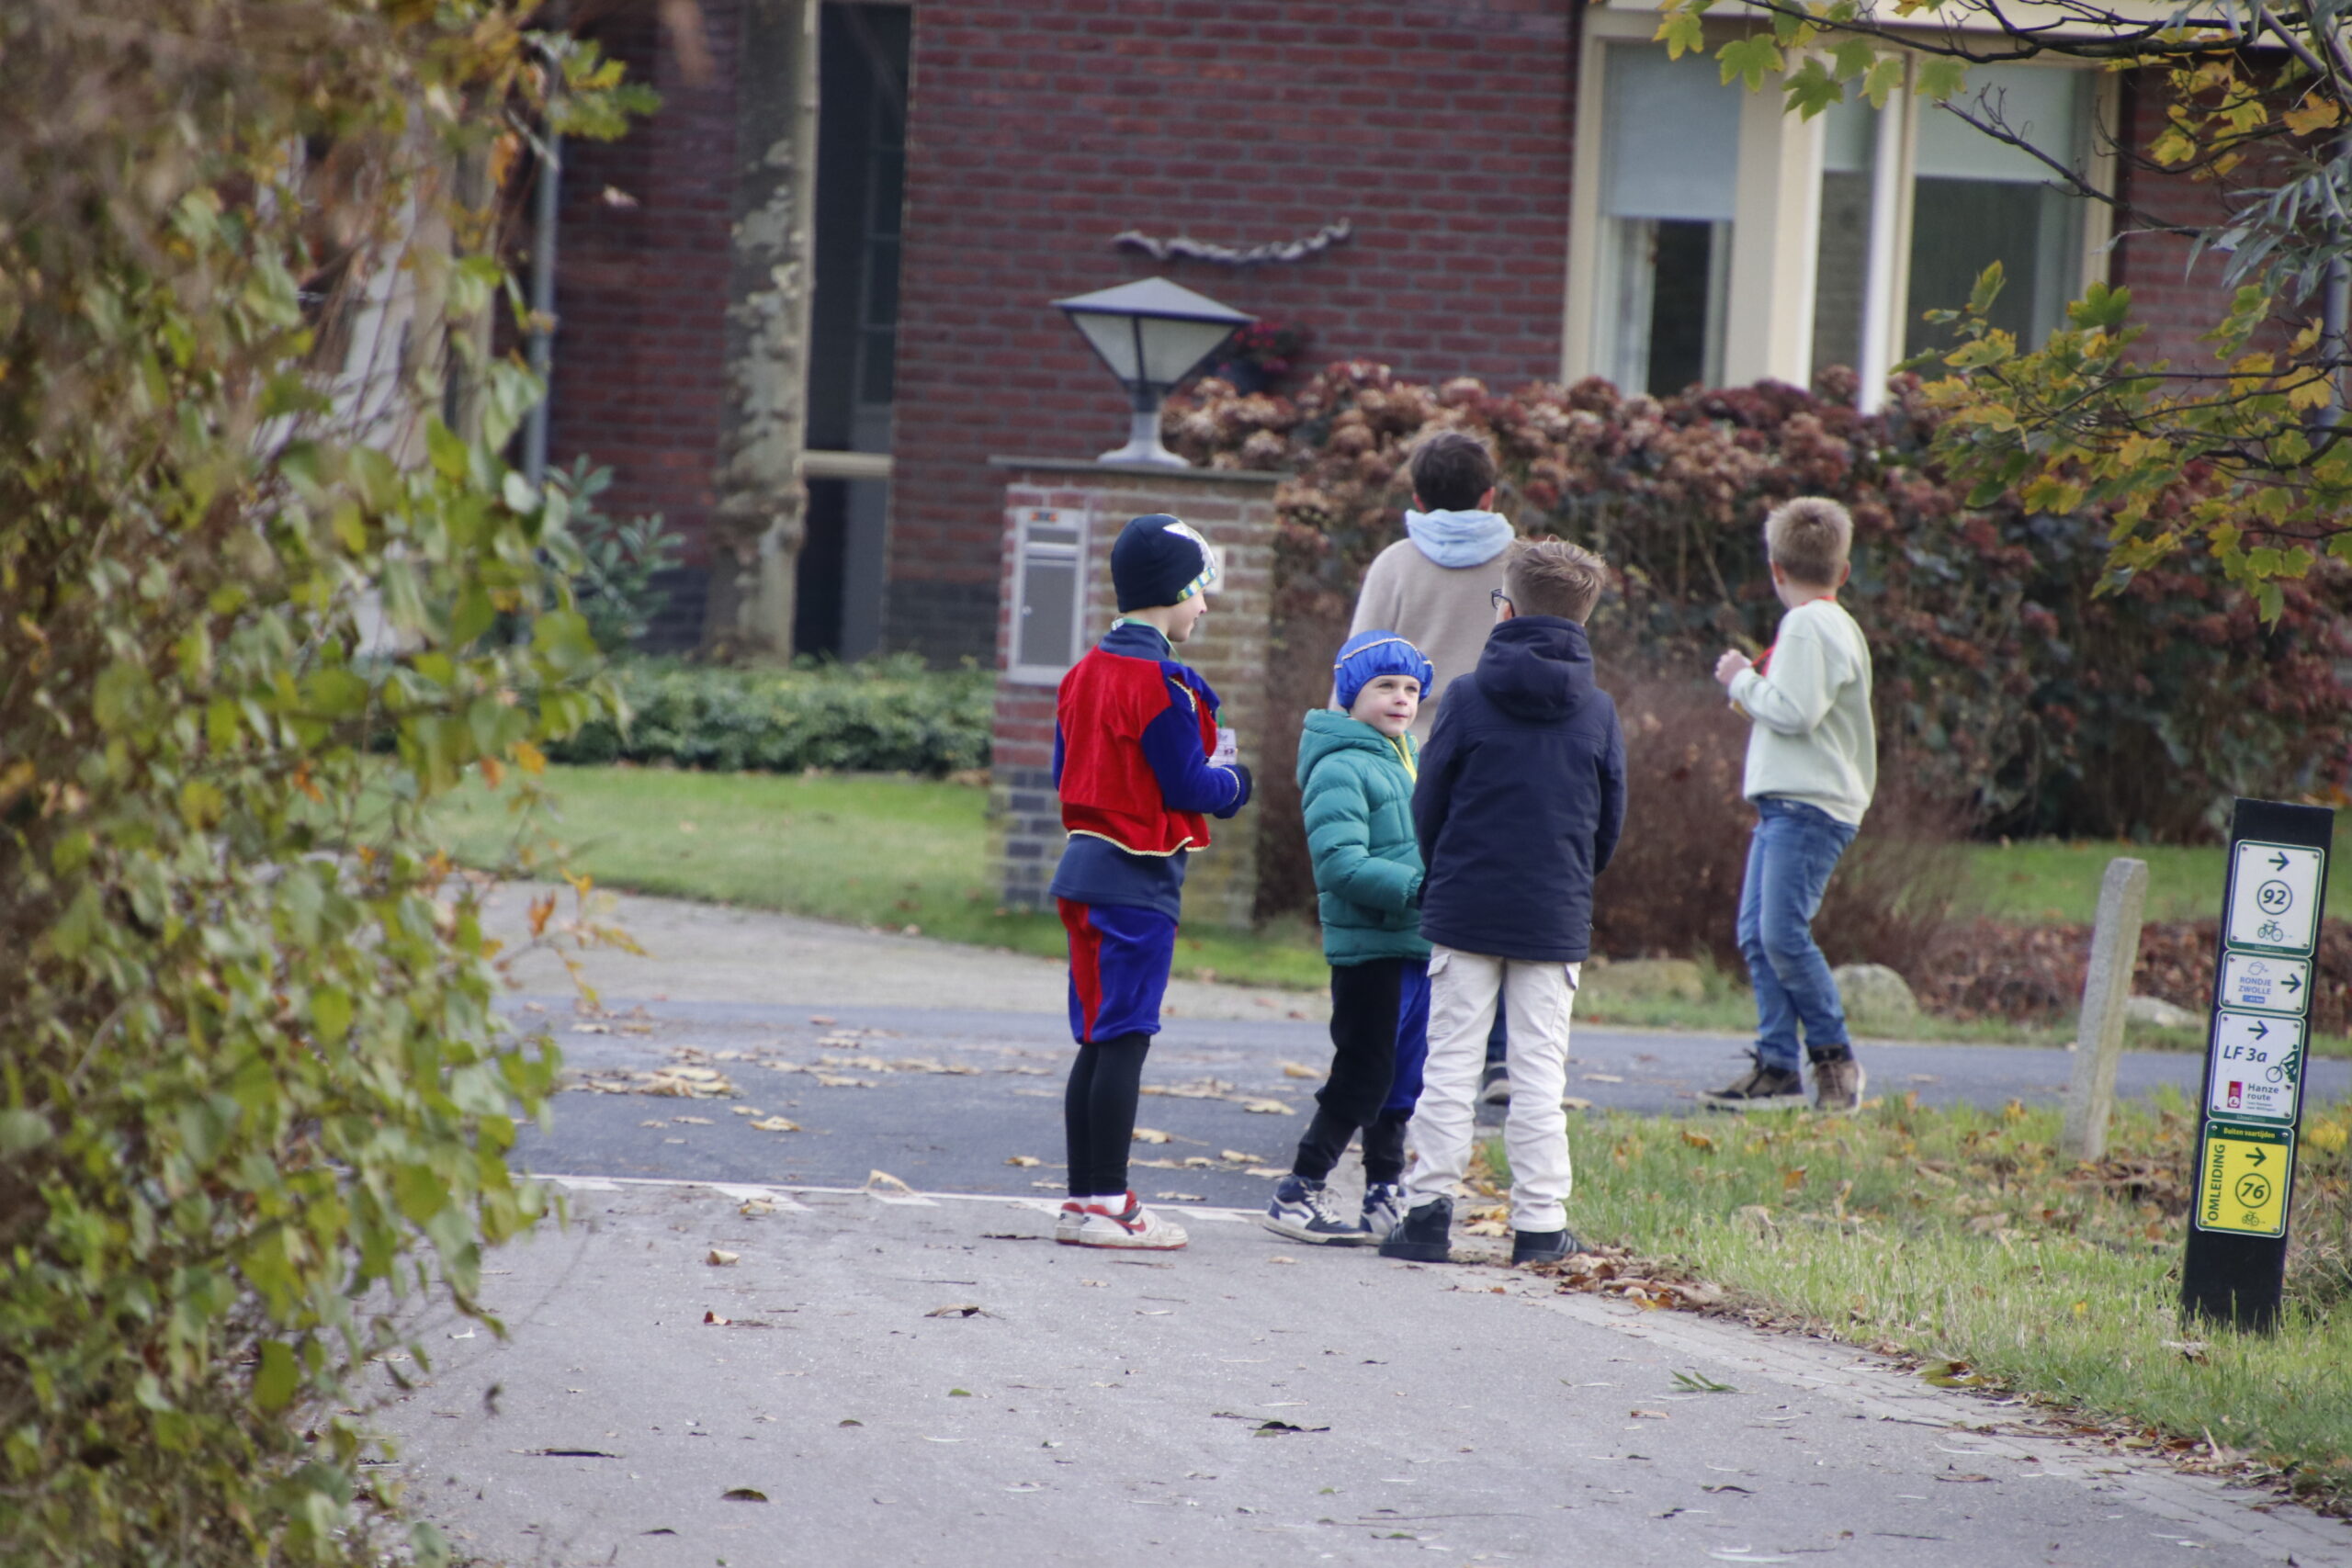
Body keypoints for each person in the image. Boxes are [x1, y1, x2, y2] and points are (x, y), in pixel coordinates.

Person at [1381, 540, 1624, 1268]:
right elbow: (1608, 824)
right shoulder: (1598, 711)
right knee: (1539, 1074)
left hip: (1466, 906)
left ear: (1506, 610)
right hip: (1553, 913)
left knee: (1451, 1065)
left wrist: (1446, 867)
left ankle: (1427, 1214)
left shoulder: (1464, 697)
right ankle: (1541, 1225)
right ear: (1584, 619)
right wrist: (1570, 878)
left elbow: (1429, 803)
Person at [1048, 513, 1253, 1248]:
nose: (1204, 605)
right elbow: (1188, 783)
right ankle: (1111, 1203)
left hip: (1080, 872)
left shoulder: (1081, 673)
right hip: (1137, 879)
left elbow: (1063, 770)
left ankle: (1083, 1199)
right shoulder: (1163, 683)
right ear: (1172, 590)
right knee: (1127, 1037)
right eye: (1200, 589)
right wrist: (1237, 782)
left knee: (1096, 1039)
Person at [1350, 429, 1520, 1106]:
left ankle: (1408, 1061)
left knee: (1414, 909)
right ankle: (1497, 1058)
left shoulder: (1395, 565)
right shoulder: (1520, 565)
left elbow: (1358, 664)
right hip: (1495, 757)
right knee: (1492, 908)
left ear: (1417, 498)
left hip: (1406, 757)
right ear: (1490, 496)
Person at [1700, 498, 1877, 1115]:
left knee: (1781, 933)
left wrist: (1739, 678)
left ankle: (1835, 1060)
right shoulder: (1832, 624)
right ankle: (1776, 1067)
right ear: (1843, 570)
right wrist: (1755, 690)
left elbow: (1797, 713)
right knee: (1758, 933)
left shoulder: (1807, 625)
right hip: (1793, 803)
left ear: (1775, 568)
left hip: (1810, 803)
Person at [1264, 630, 1437, 1246]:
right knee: (1364, 1072)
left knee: (1403, 1078)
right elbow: (1340, 863)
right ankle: (1300, 1188)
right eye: (1385, 685)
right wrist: (1421, 888)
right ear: (1351, 693)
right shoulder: (1339, 764)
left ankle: (1383, 1191)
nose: (1401, 698)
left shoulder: (1408, 758)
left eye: (1411, 687)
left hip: (1417, 944)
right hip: (1371, 947)